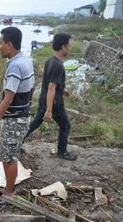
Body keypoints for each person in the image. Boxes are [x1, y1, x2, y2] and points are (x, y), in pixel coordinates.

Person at [0, 27, 35, 205]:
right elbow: (31, 88)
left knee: (9, 157)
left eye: (1, 43)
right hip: (22, 116)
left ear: (9, 44)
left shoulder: (15, 65)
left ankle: (9, 195)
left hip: (15, 119)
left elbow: (8, 98)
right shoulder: (25, 60)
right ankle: (8, 189)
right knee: (8, 154)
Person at [25, 33, 77, 161]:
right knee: (65, 125)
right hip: (54, 103)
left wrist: (63, 90)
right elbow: (51, 87)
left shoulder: (50, 60)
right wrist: (49, 110)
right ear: (63, 47)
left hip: (45, 99)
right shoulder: (58, 65)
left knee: (36, 122)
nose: (70, 49)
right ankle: (62, 152)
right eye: (69, 46)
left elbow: (52, 84)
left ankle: (16, 142)